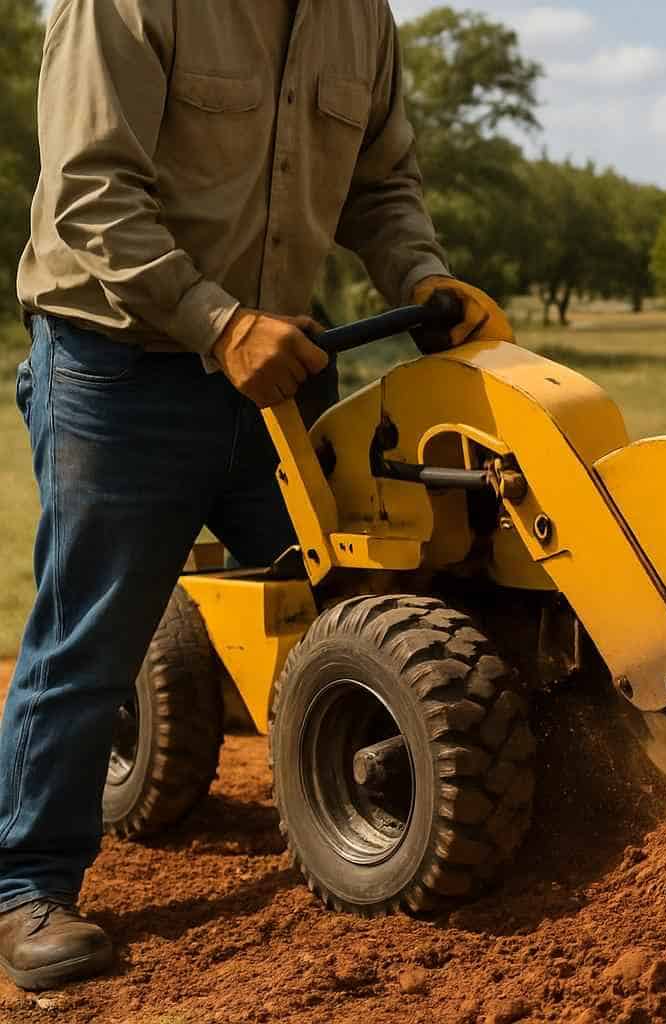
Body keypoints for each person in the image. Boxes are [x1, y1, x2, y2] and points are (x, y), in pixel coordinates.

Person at [0, 0, 512, 991]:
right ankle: (26, 885)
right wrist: (219, 322)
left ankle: (385, 814)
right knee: (94, 632)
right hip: (123, 368)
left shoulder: (358, 17)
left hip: (282, 365)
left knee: (372, 600)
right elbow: (90, 196)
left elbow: (381, 184)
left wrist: (422, 277)